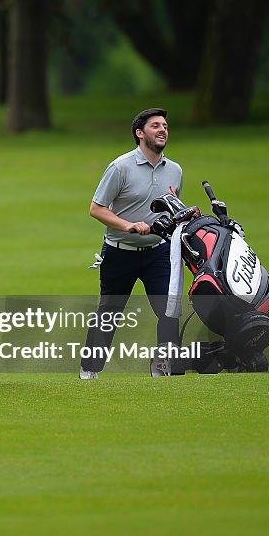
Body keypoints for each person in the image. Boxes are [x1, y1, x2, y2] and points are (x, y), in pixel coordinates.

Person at [80, 108, 183, 379]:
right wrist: (128, 225)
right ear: (140, 133)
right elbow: (96, 208)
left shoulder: (175, 170)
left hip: (158, 252)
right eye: (155, 126)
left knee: (169, 311)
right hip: (119, 253)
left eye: (165, 126)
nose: (162, 130)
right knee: (109, 315)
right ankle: (89, 371)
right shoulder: (120, 167)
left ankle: (165, 365)